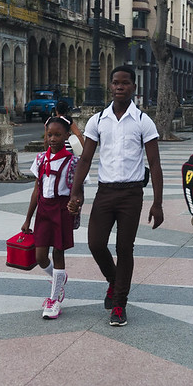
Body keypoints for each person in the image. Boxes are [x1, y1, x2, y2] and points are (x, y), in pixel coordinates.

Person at [68, 65, 164, 327]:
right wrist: (76, 191)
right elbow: (85, 158)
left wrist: (157, 203)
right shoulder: (98, 120)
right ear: (110, 86)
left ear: (133, 87)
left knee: (125, 248)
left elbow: (154, 163)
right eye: (115, 83)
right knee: (96, 244)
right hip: (105, 192)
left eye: (125, 83)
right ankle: (114, 281)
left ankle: (119, 304)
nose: (120, 87)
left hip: (132, 194)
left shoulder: (143, 120)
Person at [23, 116, 80, 319]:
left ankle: (54, 299)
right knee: (40, 256)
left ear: (66, 136)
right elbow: (36, 191)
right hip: (44, 211)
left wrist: (76, 204)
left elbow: (78, 189)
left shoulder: (73, 162)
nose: (53, 139)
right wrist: (28, 219)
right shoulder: (40, 159)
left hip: (62, 210)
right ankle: (59, 279)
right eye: (49, 135)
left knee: (58, 253)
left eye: (57, 135)